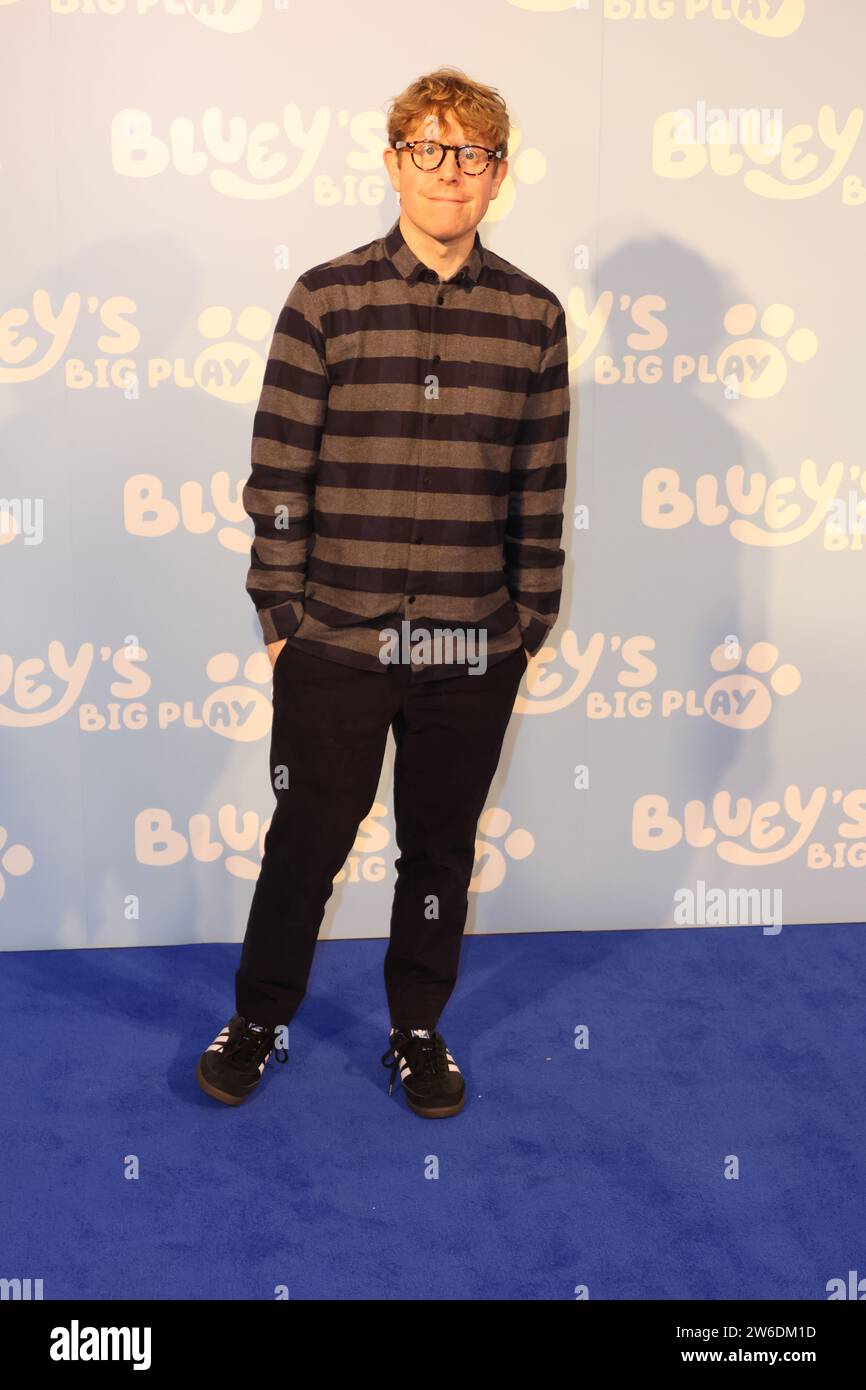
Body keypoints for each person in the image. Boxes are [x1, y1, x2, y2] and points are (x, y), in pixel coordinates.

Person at [196, 66, 570, 1118]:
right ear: (393, 160)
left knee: (439, 850)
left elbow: (538, 492)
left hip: (469, 650)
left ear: (498, 174)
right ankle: (259, 1019)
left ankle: (415, 1031)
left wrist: (524, 627)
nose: (451, 173)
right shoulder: (325, 297)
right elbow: (277, 481)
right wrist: (282, 623)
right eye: (429, 149)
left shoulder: (534, 317)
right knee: (304, 845)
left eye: (473, 155)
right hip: (338, 644)